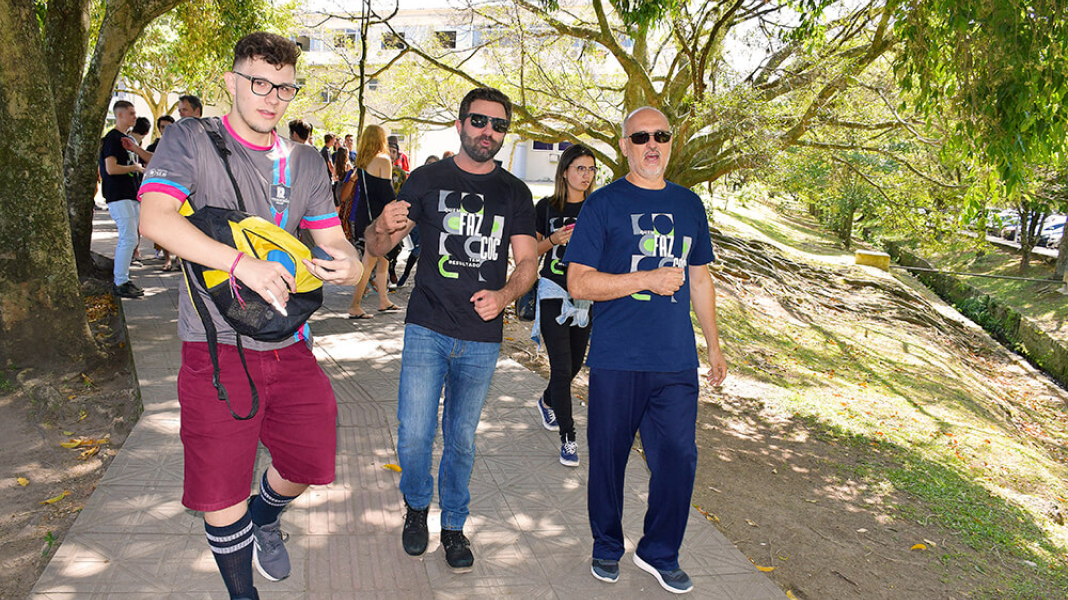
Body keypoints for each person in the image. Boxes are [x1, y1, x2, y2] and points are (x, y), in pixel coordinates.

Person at [138, 32, 362, 600]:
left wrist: (352, 265)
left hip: (289, 342)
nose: (272, 98)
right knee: (219, 490)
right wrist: (242, 263)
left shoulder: (307, 161)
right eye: (259, 83)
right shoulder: (190, 140)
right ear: (232, 82)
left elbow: (333, 242)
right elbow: (156, 221)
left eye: (284, 88)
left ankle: (265, 516)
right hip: (213, 347)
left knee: (309, 459)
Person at [365, 87, 537, 572]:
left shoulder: (514, 192)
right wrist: (381, 224)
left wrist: (504, 296)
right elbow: (378, 245)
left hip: (482, 338)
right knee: (415, 435)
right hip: (428, 326)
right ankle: (417, 508)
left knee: (461, 438)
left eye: (499, 125)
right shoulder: (426, 179)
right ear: (461, 124)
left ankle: (454, 525)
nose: (489, 132)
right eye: (480, 121)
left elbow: (527, 262)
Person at [564, 107, 728, 594]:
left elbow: (700, 277)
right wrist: (646, 280)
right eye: (640, 137)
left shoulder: (689, 204)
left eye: (661, 135)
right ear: (625, 145)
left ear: (671, 142)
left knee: (679, 456)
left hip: (676, 360)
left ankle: (660, 552)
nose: (651, 144)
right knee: (609, 460)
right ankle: (607, 546)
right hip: (618, 358)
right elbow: (578, 282)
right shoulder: (604, 205)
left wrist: (714, 346)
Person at [531, 144, 597, 467]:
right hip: (552, 290)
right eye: (580, 168)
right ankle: (568, 438)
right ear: (565, 171)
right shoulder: (546, 206)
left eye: (591, 169)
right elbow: (531, 250)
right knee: (560, 366)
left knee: (572, 367)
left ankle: (546, 400)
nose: (586, 175)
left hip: (585, 296)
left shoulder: (598, 207)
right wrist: (554, 240)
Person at [344, 124, 399, 318]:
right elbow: (387, 193)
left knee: (382, 260)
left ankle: (384, 300)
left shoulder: (362, 163)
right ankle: (355, 306)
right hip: (378, 219)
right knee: (370, 262)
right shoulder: (383, 160)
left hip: (364, 216)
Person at [99, 100, 146, 298]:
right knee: (128, 238)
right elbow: (111, 168)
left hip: (131, 195)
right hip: (119, 195)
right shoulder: (113, 139)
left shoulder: (128, 140)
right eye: (131, 113)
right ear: (119, 115)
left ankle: (123, 279)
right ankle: (120, 281)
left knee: (132, 237)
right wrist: (134, 168)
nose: (135, 117)